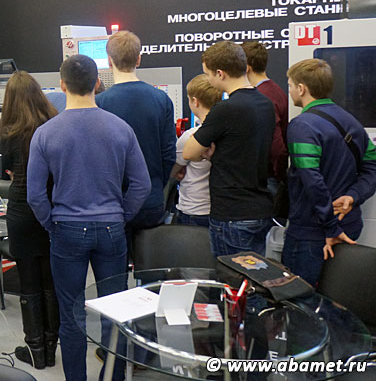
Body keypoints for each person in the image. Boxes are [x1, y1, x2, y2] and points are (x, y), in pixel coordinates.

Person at [27, 54, 150, 381]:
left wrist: (51, 223)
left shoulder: (45, 133)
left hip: (66, 229)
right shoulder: (121, 128)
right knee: (115, 313)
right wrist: (121, 216)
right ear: (97, 83)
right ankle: (114, 376)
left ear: (62, 85)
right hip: (111, 229)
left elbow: (35, 194)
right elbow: (142, 184)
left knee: (71, 315)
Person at [282, 59, 376, 285]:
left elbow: (312, 181)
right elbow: (372, 167)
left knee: (297, 298)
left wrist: (331, 227)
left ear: (301, 88)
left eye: (290, 85)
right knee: (337, 297)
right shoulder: (351, 121)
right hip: (349, 226)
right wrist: (353, 196)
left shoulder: (302, 126)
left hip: (313, 234)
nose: (290, 91)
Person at [183, 41, 275, 257]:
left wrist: (208, 152)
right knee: (256, 273)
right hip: (260, 208)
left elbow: (189, 152)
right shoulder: (266, 104)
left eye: (208, 74)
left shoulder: (225, 109)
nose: (208, 79)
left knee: (232, 276)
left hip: (232, 213)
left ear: (220, 73)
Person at [0, 71, 59, 369]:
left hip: (21, 211)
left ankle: (35, 350)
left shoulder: (10, 133)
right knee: (50, 282)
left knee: (29, 283)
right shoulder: (53, 125)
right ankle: (51, 346)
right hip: (51, 208)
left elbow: (4, 169)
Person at [96, 31, 176, 231]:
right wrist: (155, 185)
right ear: (138, 59)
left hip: (112, 203)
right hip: (151, 201)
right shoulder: (161, 99)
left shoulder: (100, 103)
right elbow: (168, 154)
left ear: (109, 61)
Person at [170, 75, 223, 228]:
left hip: (193, 210)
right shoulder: (227, 133)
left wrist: (178, 170)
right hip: (219, 211)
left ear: (195, 101)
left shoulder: (190, 137)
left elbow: (173, 171)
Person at [242, 41, 288, 187]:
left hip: (268, 179)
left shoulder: (261, 97)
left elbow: (277, 148)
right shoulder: (275, 90)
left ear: (246, 68)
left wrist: (277, 176)